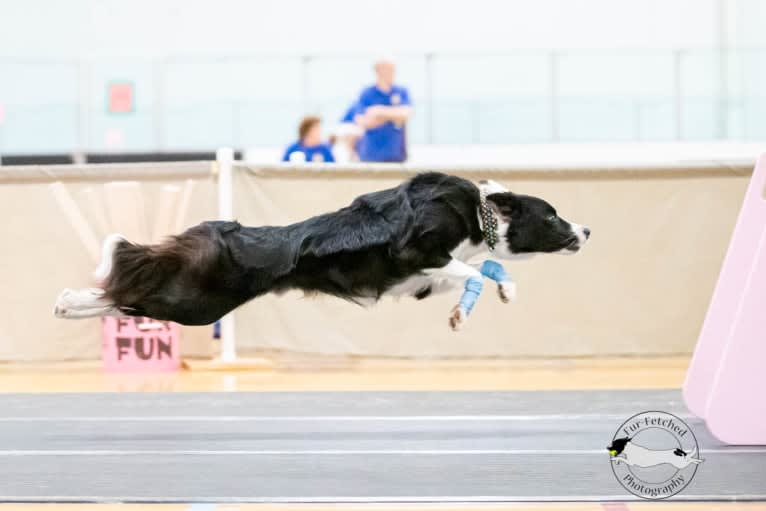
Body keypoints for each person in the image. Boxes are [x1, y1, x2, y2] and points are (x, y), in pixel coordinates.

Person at [353, 58, 412, 163]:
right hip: (371, 156)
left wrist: (378, 111)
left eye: (393, 70)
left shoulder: (401, 91)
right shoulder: (367, 93)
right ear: (378, 71)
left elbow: (405, 114)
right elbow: (362, 121)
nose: (392, 73)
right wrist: (393, 115)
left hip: (397, 155)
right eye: (389, 70)